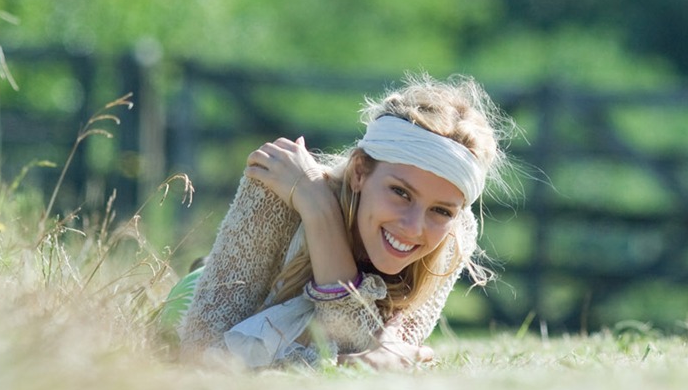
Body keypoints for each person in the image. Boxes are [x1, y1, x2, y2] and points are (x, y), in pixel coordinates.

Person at [176, 73, 511, 369]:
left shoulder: (455, 233)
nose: (413, 227)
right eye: (401, 193)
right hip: (189, 298)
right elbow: (198, 352)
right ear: (361, 171)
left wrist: (324, 225)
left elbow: (372, 353)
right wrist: (319, 210)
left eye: (441, 211)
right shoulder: (282, 193)